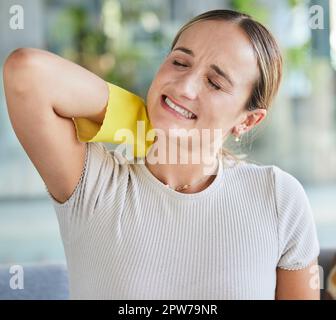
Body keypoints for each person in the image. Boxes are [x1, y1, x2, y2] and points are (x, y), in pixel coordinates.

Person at [3, 9, 320, 300]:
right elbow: (27, 72)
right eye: (180, 63)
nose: (185, 86)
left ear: (248, 120)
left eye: (214, 82)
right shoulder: (95, 185)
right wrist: (141, 121)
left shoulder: (278, 198)